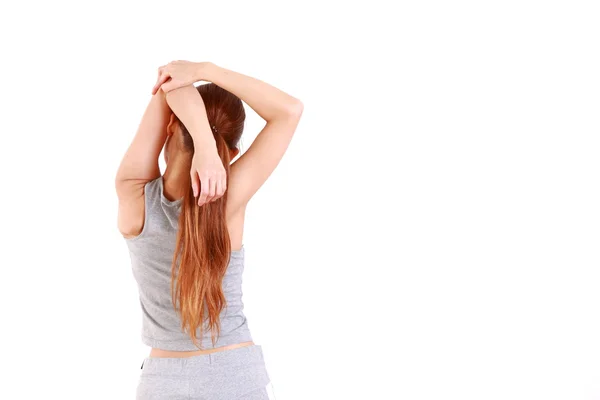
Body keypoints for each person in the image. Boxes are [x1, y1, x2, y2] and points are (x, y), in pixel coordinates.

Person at [115, 60, 303, 399]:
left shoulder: (133, 193)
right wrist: (205, 69)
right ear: (231, 154)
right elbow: (289, 110)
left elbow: (169, 83)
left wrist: (201, 140)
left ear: (171, 125)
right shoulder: (229, 199)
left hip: (163, 384)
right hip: (235, 376)